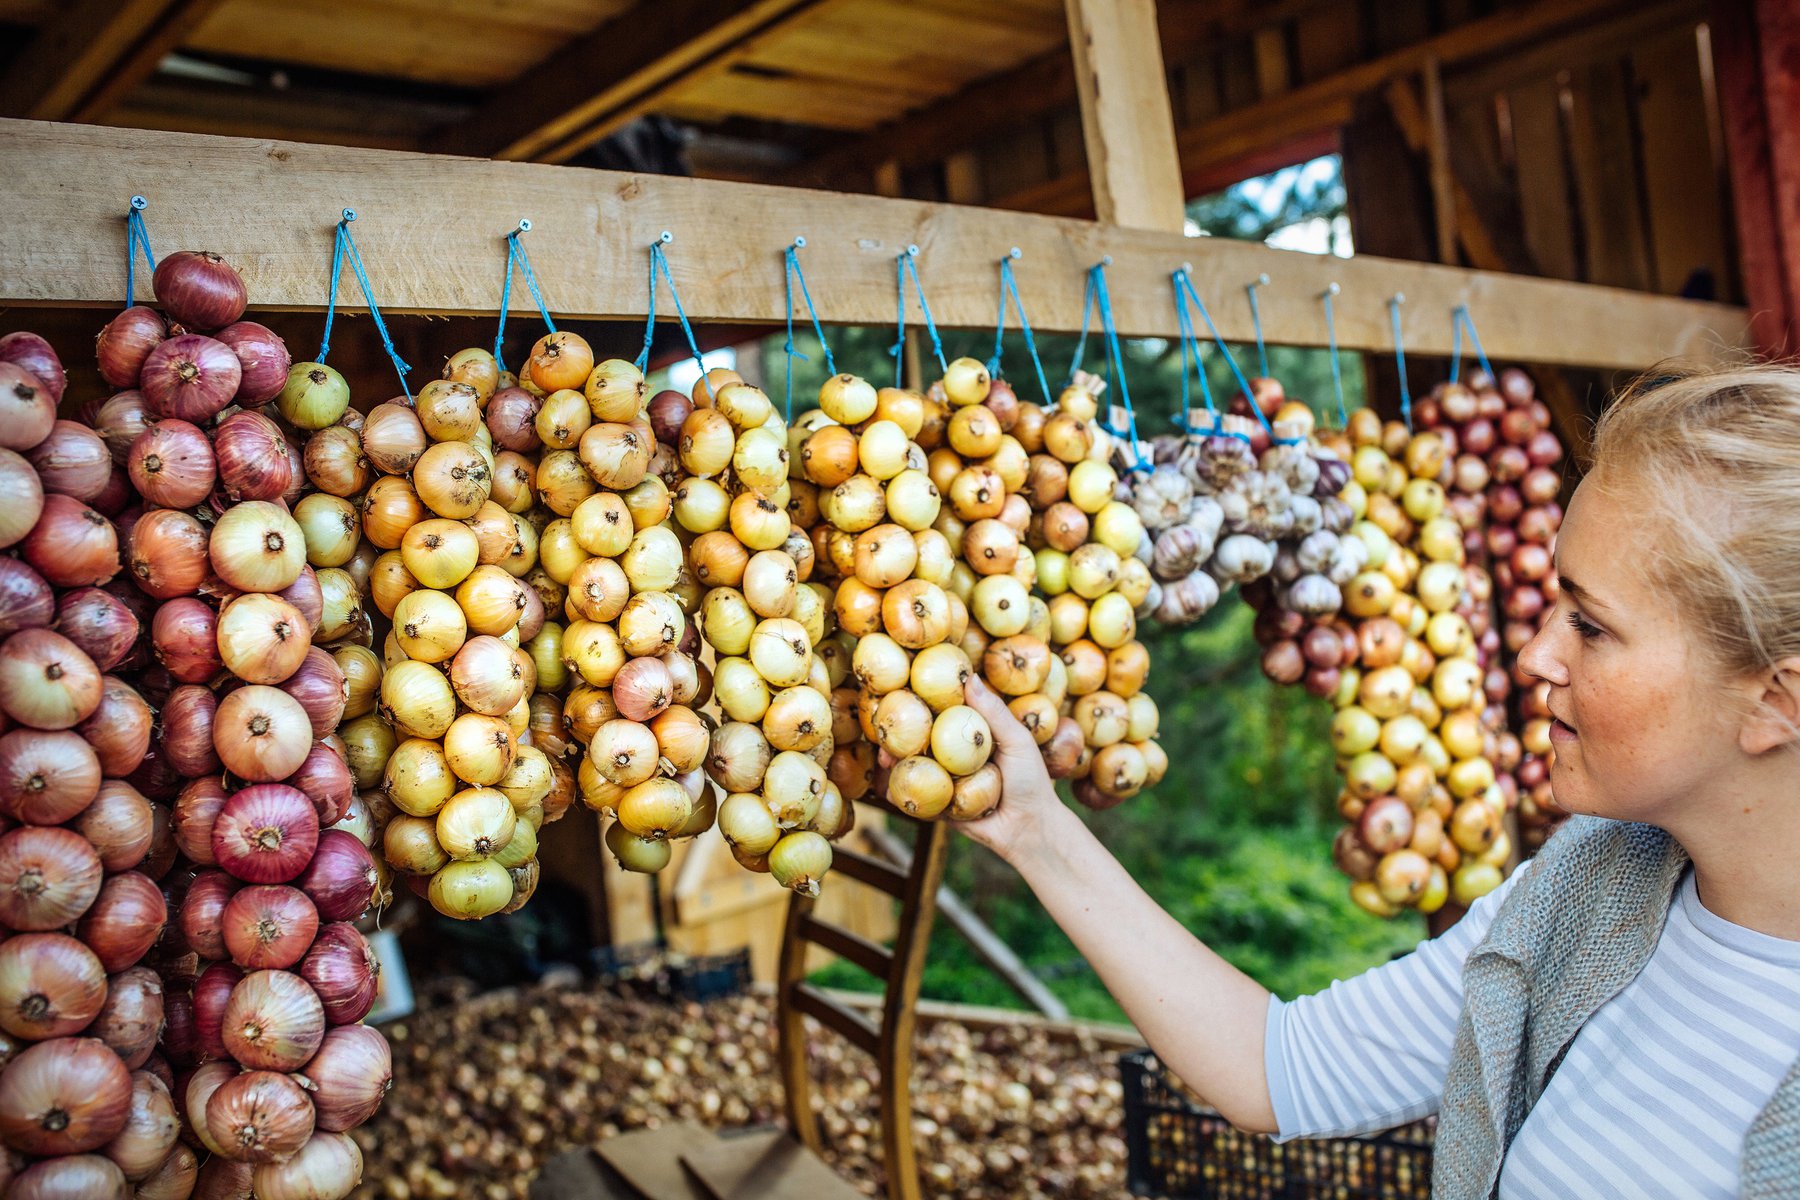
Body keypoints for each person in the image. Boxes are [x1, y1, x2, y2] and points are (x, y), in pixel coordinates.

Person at [957, 366, 1800, 1199]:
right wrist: (1037, 828)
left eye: (1589, 624)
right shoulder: (1586, 892)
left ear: (1774, 700)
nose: (1535, 654)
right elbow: (1275, 1066)